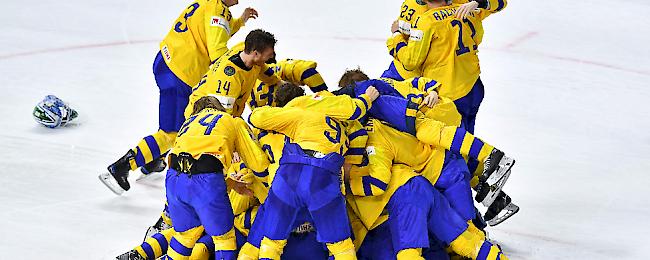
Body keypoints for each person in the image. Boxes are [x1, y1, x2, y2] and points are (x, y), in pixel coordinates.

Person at [100, 0, 258, 195]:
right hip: (180, 74)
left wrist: (239, 21)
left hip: (167, 62)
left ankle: (152, 159)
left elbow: (214, 30)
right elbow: (217, 51)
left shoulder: (208, 4)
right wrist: (237, 69)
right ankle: (120, 168)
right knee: (173, 133)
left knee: (175, 124)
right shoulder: (218, 12)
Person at [247, 83, 379, 259]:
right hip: (327, 176)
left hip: (292, 171)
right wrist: (366, 99)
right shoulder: (340, 113)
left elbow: (256, 117)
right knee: (342, 248)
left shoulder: (297, 111)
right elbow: (359, 131)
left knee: (270, 243)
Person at [164, 95, 269, 260]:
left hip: (173, 178)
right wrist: (268, 188)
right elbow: (258, 162)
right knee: (224, 239)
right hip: (206, 179)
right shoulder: (231, 120)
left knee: (184, 236)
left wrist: (230, 183)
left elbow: (191, 173)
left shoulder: (187, 124)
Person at [387, 0, 507, 133]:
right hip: (471, 86)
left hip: (441, 93)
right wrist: (478, 3)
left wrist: (395, 36)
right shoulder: (466, 7)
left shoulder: (425, 19)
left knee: (446, 142)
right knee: (466, 138)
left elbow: (410, 61)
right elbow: (500, 3)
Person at [184, 29, 280, 118]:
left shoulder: (245, 49)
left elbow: (262, 68)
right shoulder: (229, 78)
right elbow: (221, 117)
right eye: (269, 55)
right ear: (255, 54)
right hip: (202, 114)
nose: (272, 56)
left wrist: (278, 82)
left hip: (226, 107)